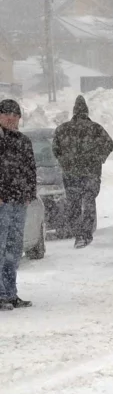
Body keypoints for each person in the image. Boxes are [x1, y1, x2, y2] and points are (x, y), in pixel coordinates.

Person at [52, 95, 113, 248]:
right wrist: (100, 158)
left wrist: (64, 161)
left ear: (74, 112)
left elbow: (55, 149)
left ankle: (78, 233)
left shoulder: (62, 129)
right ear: (86, 112)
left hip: (70, 173)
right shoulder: (95, 128)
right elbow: (110, 144)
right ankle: (85, 234)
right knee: (88, 202)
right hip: (91, 173)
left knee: (73, 204)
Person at [0, 99, 36, 311]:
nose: (11, 118)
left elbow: (30, 168)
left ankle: (10, 293)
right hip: (2, 203)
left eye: (15, 115)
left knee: (13, 249)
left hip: (18, 202)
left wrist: (29, 193)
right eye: (6, 114)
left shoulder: (23, 141)